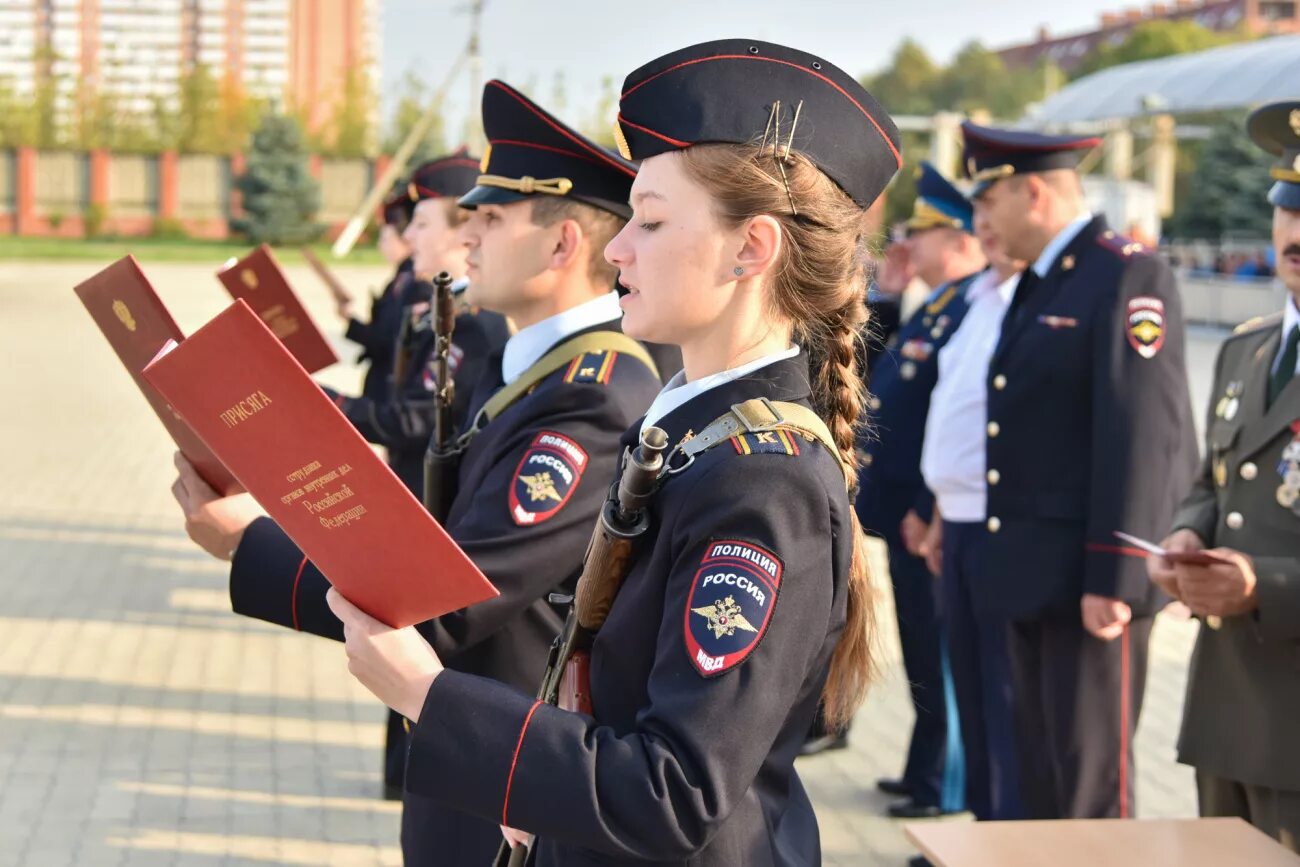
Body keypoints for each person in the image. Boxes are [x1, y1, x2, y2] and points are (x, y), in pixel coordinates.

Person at [324, 38, 901, 865]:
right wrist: (538, 796)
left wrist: (425, 692)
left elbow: (675, 791)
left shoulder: (762, 481)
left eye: (653, 220)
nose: (619, 247)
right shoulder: (693, 431)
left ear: (753, 248)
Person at [169, 79, 665, 864]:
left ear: (564, 244)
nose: (469, 239)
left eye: (492, 219)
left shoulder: (593, 397)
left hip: (509, 757)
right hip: (469, 739)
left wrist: (250, 542)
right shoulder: (528, 363)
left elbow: (454, 591)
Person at [963, 121, 1198, 820]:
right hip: (1033, 574)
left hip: (1090, 589)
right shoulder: (1045, 283)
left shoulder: (1126, 273)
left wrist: (1119, 575)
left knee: (1091, 786)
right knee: (1036, 777)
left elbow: (1144, 431)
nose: (984, 224)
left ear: (1033, 192)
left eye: (990, 202)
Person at [1147, 99, 1300, 852]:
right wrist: (1187, 532)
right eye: (1288, 205)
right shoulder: (1248, 349)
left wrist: (1261, 585)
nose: (1296, 231)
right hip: (1226, 703)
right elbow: (1215, 479)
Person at [845, 163, 982, 824]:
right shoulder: (935, 304)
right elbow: (875, 380)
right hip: (901, 507)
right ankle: (923, 767)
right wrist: (891, 295)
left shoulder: (973, 305)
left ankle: (946, 780)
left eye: (922, 234)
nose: (909, 244)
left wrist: (930, 508)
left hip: (923, 511)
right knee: (922, 646)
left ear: (957, 238)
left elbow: (952, 422)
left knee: (940, 648)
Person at [918, 210, 1027, 825]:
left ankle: (1006, 833)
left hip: (1000, 524)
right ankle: (983, 829)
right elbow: (956, 415)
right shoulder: (980, 298)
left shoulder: (1031, 306)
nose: (987, 223)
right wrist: (937, 512)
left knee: (1004, 692)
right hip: (957, 519)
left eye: (998, 208)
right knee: (972, 686)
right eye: (979, 211)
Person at [321, 153, 510, 494]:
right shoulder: (449, 306)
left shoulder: (473, 323)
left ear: (463, 232)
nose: (408, 234)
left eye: (421, 224)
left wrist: (327, 405)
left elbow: (419, 420)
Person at [335, 182, 416, 404]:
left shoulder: (415, 283)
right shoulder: (402, 277)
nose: (381, 246)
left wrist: (352, 324)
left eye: (386, 239)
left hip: (389, 391)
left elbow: (389, 341)